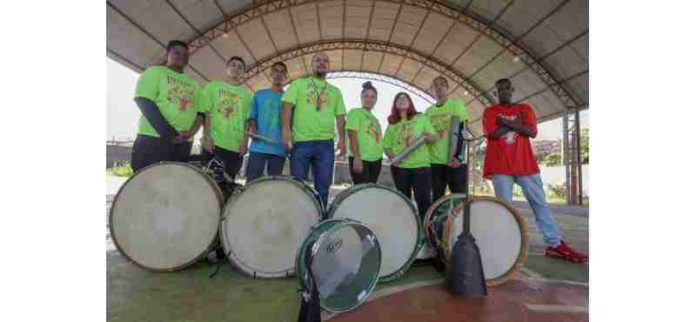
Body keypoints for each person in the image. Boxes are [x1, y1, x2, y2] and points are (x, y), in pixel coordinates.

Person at [482, 78, 588, 263]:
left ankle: (554, 244)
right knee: (504, 207)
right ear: (495, 93)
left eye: (507, 88)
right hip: (500, 167)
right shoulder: (489, 111)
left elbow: (531, 132)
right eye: (500, 90)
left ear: (512, 89)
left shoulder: (525, 108)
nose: (504, 92)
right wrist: (517, 124)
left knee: (540, 204)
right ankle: (504, 243)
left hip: (525, 165)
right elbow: (492, 134)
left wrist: (506, 123)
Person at [282, 52, 346, 208]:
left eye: (325, 61)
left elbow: (340, 118)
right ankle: (297, 219)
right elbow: (287, 108)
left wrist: (343, 141)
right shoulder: (298, 84)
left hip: (326, 145)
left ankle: (320, 219)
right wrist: (286, 131)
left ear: (329, 66)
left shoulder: (335, 91)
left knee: (323, 188)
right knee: (298, 186)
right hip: (301, 143)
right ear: (311, 64)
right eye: (317, 60)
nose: (321, 63)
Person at [131, 40, 205, 172]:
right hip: (153, 140)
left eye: (185, 55)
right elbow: (144, 101)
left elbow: (200, 114)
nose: (181, 56)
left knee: (173, 185)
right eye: (177, 52)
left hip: (183, 144)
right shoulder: (155, 72)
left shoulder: (195, 85)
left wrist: (190, 134)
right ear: (167, 55)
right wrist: (170, 134)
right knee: (144, 184)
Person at [383, 92, 437, 220]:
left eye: (405, 98)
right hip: (400, 168)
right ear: (395, 105)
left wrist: (427, 137)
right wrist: (392, 158)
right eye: (398, 99)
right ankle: (407, 231)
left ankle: (427, 233)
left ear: (410, 102)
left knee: (423, 201)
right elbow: (386, 145)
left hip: (421, 167)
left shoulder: (421, 118)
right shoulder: (392, 124)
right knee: (403, 203)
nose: (402, 100)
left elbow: (433, 137)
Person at [200, 56, 253, 185]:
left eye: (240, 67)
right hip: (214, 143)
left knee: (227, 185)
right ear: (227, 68)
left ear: (243, 73)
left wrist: (245, 143)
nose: (236, 68)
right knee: (207, 183)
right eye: (233, 65)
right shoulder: (213, 86)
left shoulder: (247, 94)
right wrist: (207, 136)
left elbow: (247, 121)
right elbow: (205, 112)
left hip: (235, 147)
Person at [425, 76, 469, 202]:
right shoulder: (428, 111)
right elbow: (425, 136)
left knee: (459, 198)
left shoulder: (456, 105)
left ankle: (460, 222)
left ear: (447, 88)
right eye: (435, 86)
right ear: (432, 90)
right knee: (437, 199)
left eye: (442, 85)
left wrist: (459, 156)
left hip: (454, 160)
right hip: (434, 162)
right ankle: (437, 222)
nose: (438, 88)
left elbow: (463, 131)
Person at [245, 62, 289, 182]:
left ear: (286, 76)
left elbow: (291, 123)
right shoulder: (259, 95)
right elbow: (252, 117)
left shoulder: (289, 98)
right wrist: (254, 131)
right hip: (258, 147)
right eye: (276, 70)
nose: (278, 74)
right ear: (270, 74)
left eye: (282, 71)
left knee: (272, 187)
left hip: (279, 149)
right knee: (251, 184)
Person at [346, 81, 384, 184]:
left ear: (376, 99)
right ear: (361, 97)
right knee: (361, 191)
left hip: (376, 160)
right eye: (366, 96)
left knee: (371, 191)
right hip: (362, 158)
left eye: (372, 97)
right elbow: (352, 134)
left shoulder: (375, 120)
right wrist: (357, 157)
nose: (369, 99)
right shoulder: (355, 112)